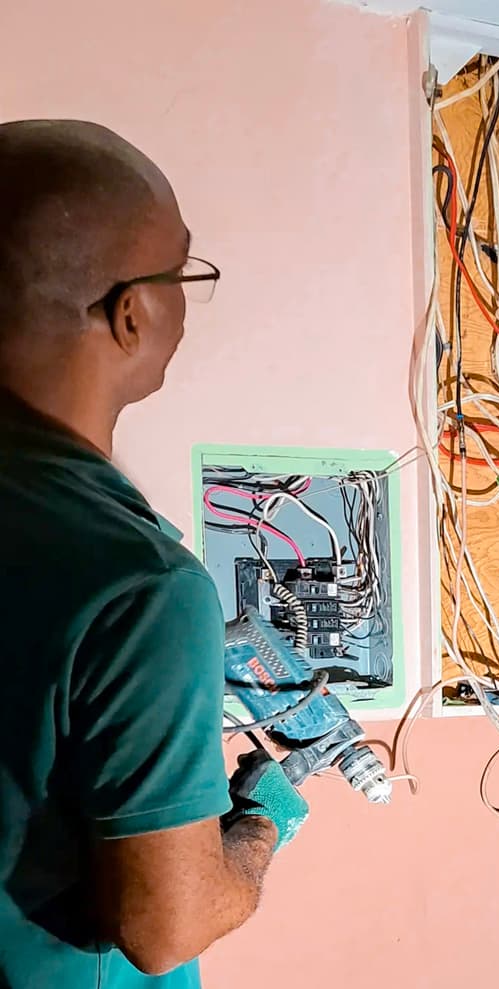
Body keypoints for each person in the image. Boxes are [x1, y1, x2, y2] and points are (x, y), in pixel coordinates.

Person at [0, 120, 308, 988]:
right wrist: (256, 829)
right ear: (129, 313)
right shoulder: (142, 588)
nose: (184, 300)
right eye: (183, 274)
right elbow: (166, 924)